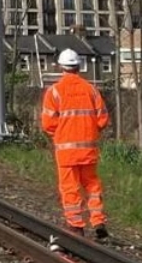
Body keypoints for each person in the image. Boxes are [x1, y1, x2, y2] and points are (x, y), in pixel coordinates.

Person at [41, 48, 110, 239]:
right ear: (78, 66)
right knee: (92, 185)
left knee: (70, 188)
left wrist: (62, 132)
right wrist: (90, 131)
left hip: (65, 151)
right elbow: (103, 119)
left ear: (61, 67)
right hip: (88, 149)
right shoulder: (91, 89)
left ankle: (76, 226)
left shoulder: (54, 92)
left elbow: (48, 123)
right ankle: (98, 220)